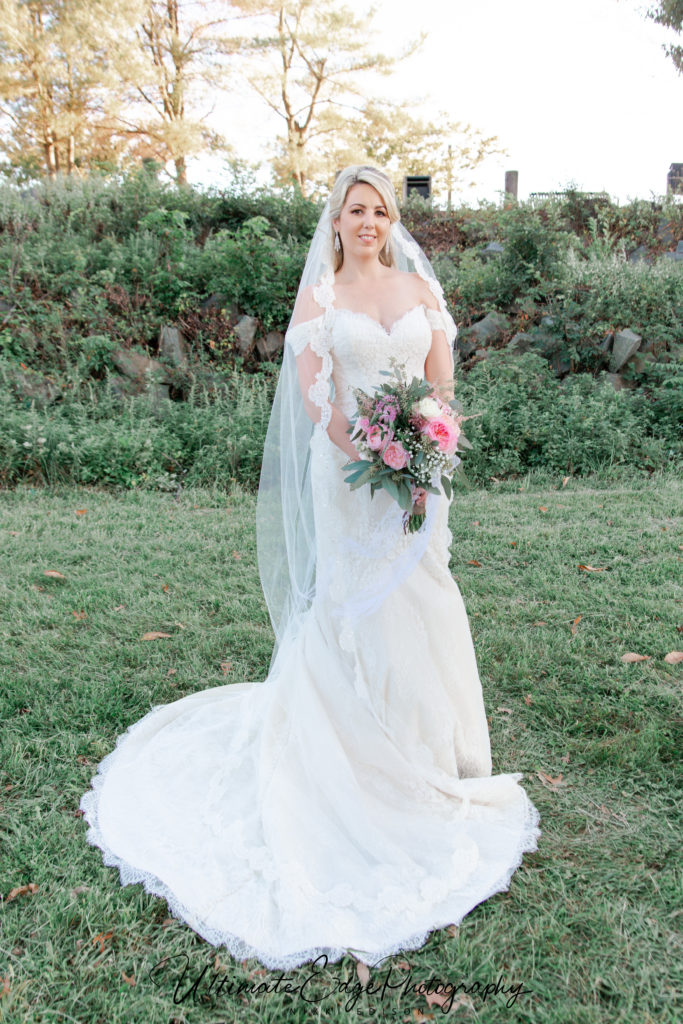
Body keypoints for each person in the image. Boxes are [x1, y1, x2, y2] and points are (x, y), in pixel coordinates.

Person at [80, 165, 540, 971]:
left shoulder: (415, 288)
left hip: (418, 480)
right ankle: (351, 756)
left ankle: (427, 755)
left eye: (380, 211)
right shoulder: (322, 300)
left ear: (394, 220)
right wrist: (368, 449)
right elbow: (316, 399)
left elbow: (440, 382)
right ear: (335, 222)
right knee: (352, 606)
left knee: (424, 596)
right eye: (355, 210)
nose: (368, 221)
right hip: (349, 477)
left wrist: (425, 445)